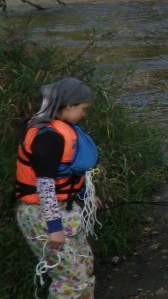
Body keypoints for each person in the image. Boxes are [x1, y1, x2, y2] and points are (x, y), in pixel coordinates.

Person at [15, 78, 101, 298]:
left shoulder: (61, 131)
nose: (84, 114)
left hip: (65, 210)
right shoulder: (48, 138)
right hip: (43, 217)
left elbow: (65, 173)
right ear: (69, 106)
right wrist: (55, 228)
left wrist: (86, 195)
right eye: (83, 109)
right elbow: (44, 185)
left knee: (85, 267)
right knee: (71, 279)